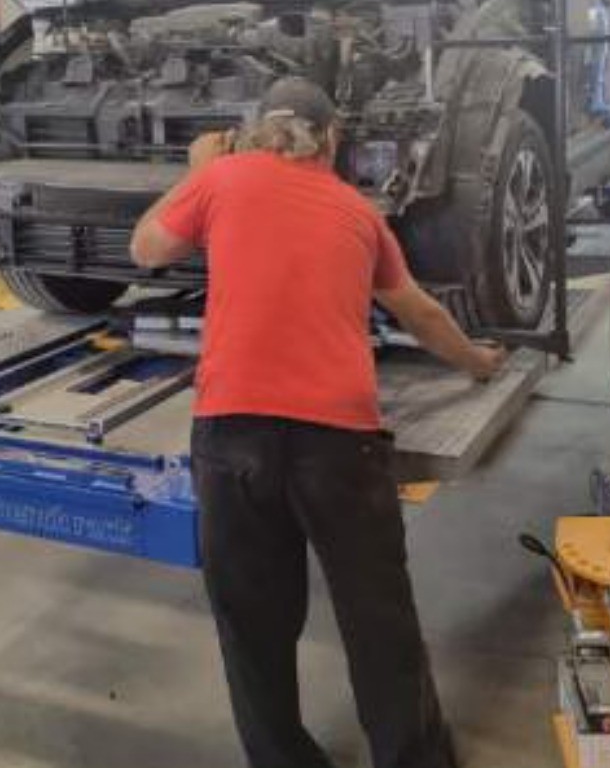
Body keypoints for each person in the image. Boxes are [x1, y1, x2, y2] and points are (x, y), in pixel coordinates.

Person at [131, 77, 505, 768]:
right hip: (340, 445)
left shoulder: (225, 178)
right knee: (378, 621)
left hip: (231, 436)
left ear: (257, 132)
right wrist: (479, 361)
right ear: (332, 139)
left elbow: (146, 249)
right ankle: (413, 759)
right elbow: (420, 314)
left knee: (252, 623)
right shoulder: (359, 212)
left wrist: (196, 173)